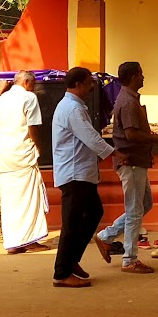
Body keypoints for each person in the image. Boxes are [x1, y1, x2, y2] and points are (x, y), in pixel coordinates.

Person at [94, 61, 158, 275]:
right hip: (131, 161)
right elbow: (132, 134)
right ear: (134, 76)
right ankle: (130, 259)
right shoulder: (128, 102)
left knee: (145, 204)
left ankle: (107, 236)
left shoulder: (127, 99)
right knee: (135, 211)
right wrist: (156, 139)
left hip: (136, 161)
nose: (144, 77)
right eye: (141, 74)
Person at [49, 66, 113, 287]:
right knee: (72, 224)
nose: (91, 87)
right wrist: (113, 154)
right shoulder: (72, 109)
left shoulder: (74, 106)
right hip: (74, 173)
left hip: (81, 172)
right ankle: (61, 273)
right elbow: (91, 138)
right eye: (88, 83)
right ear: (77, 85)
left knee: (94, 213)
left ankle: (72, 259)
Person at [0, 71, 51, 254]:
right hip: (23, 153)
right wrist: (39, 146)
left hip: (4, 155)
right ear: (26, 82)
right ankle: (28, 240)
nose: (34, 87)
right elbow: (33, 126)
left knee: (10, 201)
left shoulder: (4, 98)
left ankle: (14, 242)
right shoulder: (29, 97)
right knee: (28, 199)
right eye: (33, 84)